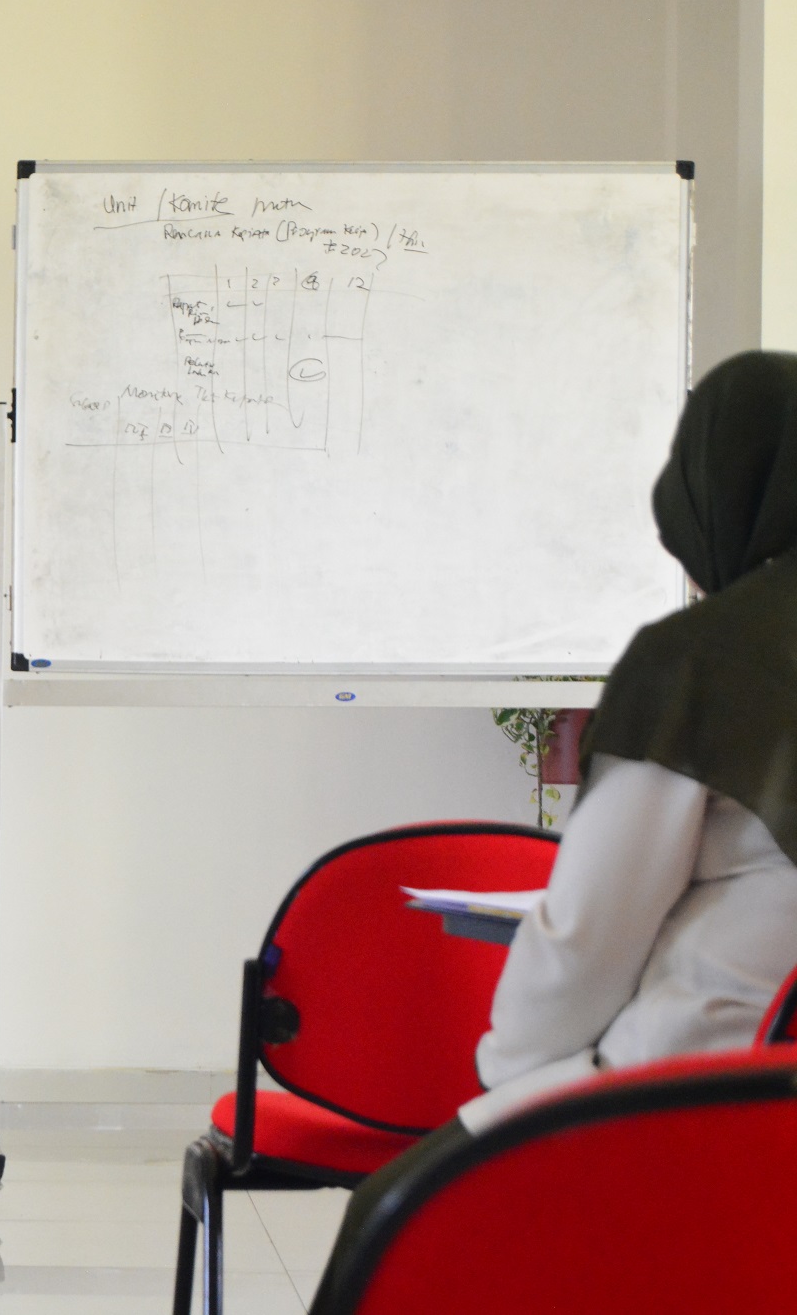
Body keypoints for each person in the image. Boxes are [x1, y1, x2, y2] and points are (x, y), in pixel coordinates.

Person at [312, 349, 797, 1307]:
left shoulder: (700, 663)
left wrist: (507, 1085)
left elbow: (586, 937)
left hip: (697, 1097)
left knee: (397, 1215)